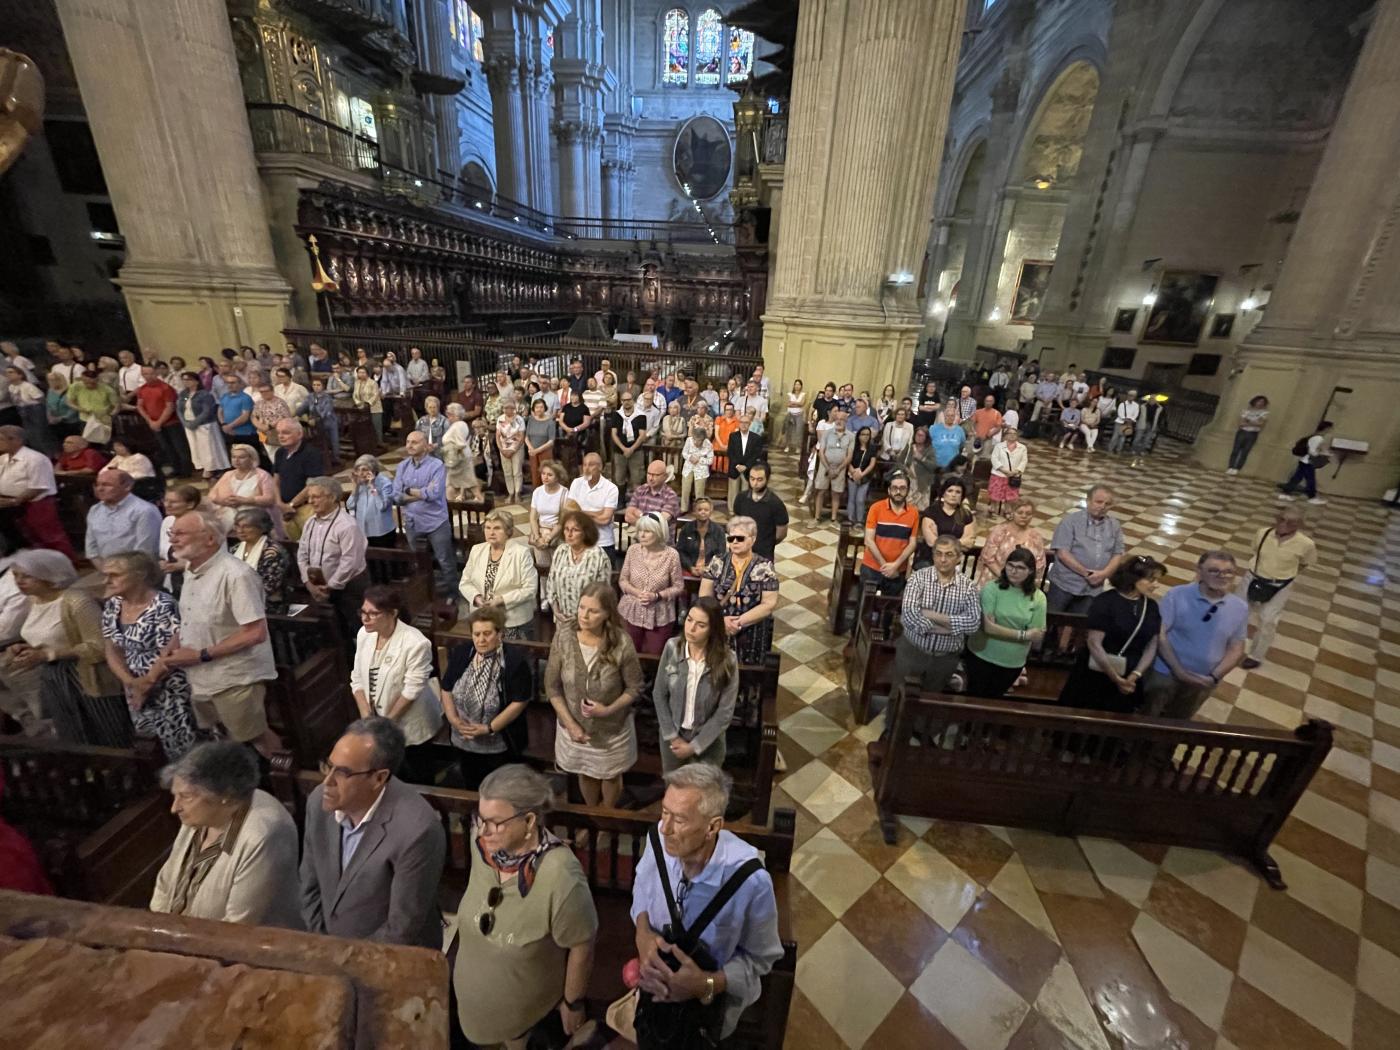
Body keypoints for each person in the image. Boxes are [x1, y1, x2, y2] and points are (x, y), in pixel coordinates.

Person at [631, 764, 783, 1044]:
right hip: (654, 999)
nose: (665, 828)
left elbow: (761, 958)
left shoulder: (749, 880)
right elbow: (642, 887)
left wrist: (705, 985)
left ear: (713, 827)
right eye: (664, 812)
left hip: (707, 1019)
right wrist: (642, 934)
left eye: (679, 819)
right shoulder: (658, 841)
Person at [449, 764, 597, 1050]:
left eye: (495, 822)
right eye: (481, 819)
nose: (484, 831)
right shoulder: (483, 845)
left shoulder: (561, 876)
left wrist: (572, 1002)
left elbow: (583, 943)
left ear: (529, 821)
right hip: (472, 1006)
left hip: (524, 1017)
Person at [300, 717, 447, 947]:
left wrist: (344, 957)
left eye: (343, 773)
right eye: (328, 766)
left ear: (378, 778)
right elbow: (309, 885)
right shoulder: (318, 802)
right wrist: (325, 947)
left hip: (389, 961)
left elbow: (401, 927)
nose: (327, 782)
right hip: (328, 950)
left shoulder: (418, 830)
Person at [162, 509, 281, 756]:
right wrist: (173, 648)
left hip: (235, 677)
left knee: (257, 738)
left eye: (181, 533)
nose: (173, 539)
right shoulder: (191, 570)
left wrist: (201, 655)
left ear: (209, 539)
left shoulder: (236, 575)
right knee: (224, 739)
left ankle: (287, 788)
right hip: (202, 675)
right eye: (172, 533)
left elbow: (255, 633)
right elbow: (190, 619)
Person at [148, 741, 300, 927]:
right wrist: (160, 929)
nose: (174, 808)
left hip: (242, 948)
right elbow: (165, 885)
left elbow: (238, 925)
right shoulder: (199, 816)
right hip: (179, 938)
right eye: (175, 796)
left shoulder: (263, 835)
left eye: (186, 796)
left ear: (225, 795)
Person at [4, 549, 131, 747]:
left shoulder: (77, 601)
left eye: (26, 576)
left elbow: (99, 646)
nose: (19, 582)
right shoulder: (34, 600)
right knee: (72, 738)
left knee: (107, 737)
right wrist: (24, 647)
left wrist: (48, 654)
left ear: (49, 575)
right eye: (16, 576)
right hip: (54, 679)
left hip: (87, 677)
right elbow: (49, 636)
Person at [546, 582, 644, 809]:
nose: (585, 615)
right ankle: (593, 813)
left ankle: (608, 815)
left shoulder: (621, 642)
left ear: (607, 613)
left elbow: (634, 687)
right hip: (575, 727)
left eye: (593, 611)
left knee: (610, 776)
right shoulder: (564, 636)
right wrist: (571, 724)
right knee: (587, 773)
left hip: (611, 729)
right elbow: (552, 687)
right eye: (581, 608)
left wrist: (607, 710)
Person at [101, 551, 204, 760]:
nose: (108, 580)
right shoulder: (113, 604)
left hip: (169, 685)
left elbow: (172, 651)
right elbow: (112, 648)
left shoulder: (164, 606)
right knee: (149, 746)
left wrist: (146, 683)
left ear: (139, 575)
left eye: (115, 575)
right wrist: (131, 682)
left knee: (184, 748)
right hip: (134, 685)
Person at [350, 586, 442, 784]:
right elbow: (357, 677)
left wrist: (386, 725)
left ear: (393, 613)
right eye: (363, 612)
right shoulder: (364, 634)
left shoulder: (415, 643)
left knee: (418, 777)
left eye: (373, 614)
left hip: (411, 724)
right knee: (389, 776)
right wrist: (366, 716)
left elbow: (412, 690)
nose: (365, 619)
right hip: (376, 720)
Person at [1144, 550, 1249, 721]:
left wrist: (1213, 677)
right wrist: (1179, 671)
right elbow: (1160, 634)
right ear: (1199, 571)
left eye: (1228, 572)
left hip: (1203, 679)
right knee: (1149, 716)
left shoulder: (1239, 607)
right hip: (1165, 672)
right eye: (1214, 570)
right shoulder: (1177, 595)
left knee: (1180, 721)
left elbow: (1236, 647)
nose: (1222, 576)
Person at [1058, 555, 1164, 714]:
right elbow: (1094, 643)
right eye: (1151, 580)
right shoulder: (1106, 601)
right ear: (1134, 579)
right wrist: (1115, 678)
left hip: (1130, 675)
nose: (1156, 585)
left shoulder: (1152, 607)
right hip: (1096, 673)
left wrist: (1136, 674)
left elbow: (1152, 644)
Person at [440, 606, 532, 789]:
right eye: (476, 634)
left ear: (500, 634)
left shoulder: (514, 661)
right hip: (463, 740)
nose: (481, 640)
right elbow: (447, 687)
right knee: (471, 785)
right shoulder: (461, 653)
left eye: (487, 634)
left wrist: (489, 728)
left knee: (500, 790)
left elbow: (519, 701)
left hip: (498, 744)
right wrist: (453, 719)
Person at [651, 598, 739, 773]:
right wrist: (672, 737)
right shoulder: (672, 648)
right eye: (689, 620)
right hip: (673, 739)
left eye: (701, 625)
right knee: (675, 792)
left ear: (712, 629)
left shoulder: (728, 660)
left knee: (705, 795)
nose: (691, 628)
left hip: (709, 742)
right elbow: (659, 694)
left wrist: (694, 746)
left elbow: (724, 712)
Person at [895, 535, 982, 694]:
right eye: (938, 553)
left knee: (930, 698)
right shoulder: (918, 578)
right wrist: (950, 628)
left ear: (958, 558)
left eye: (949, 554)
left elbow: (973, 623)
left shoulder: (968, 587)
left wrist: (931, 616)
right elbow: (908, 615)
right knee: (899, 694)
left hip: (945, 658)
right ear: (933, 555)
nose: (943, 559)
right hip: (913, 651)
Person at [964, 547, 1048, 699]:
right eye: (1010, 566)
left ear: (1030, 571)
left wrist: (1002, 629)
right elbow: (988, 628)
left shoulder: (1038, 598)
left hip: (1012, 660)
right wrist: (1023, 634)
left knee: (994, 698)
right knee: (973, 696)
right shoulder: (991, 588)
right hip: (982, 654)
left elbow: (1037, 635)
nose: (1014, 571)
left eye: (1020, 567)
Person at [1237, 507, 1316, 670]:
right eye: (1281, 519)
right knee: (1237, 612)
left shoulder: (1306, 544)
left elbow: (1304, 563)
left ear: (1299, 525)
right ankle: (1229, 645)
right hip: (1253, 577)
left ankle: (1255, 655)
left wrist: (1282, 575)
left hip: (1280, 585)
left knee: (1268, 620)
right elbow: (1254, 550)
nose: (1284, 524)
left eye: (1291, 522)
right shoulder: (1263, 533)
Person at [297, 475, 369, 643]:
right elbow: (302, 553)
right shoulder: (310, 523)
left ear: (332, 497)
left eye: (316, 497)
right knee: (335, 632)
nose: (311, 501)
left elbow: (350, 562)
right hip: (319, 586)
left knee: (360, 630)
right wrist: (308, 582)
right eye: (309, 497)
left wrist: (330, 586)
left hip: (349, 588)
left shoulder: (347, 525)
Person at [699, 515, 779, 665]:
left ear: (753, 539)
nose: (734, 542)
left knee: (747, 675)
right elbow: (704, 596)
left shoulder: (765, 567)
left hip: (751, 631)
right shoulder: (717, 562)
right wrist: (721, 622)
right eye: (731, 538)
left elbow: (769, 604)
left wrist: (739, 622)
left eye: (740, 538)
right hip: (719, 626)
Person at [395, 430, 458, 595]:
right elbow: (396, 496)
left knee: (445, 561)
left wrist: (408, 490)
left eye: (414, 442)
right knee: (418, 560)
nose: (409, 445)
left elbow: (434, 494)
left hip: (436, 522)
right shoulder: (402, 466)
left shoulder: (436, 465)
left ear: (425, 445)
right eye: (408, 442)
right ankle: (426, 593)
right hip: (412, 522)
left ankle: (453, 594)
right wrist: (420, 494)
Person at [460, 510, 539, 640]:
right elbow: (465, 582)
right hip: (482, 617)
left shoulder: (521, 553)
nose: (491, 532)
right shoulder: (477, 550)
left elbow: (530, 589)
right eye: (488, 528)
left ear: (508, 531)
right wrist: (477, 598)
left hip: (512, 619)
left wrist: (501, 600)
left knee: (510, 658)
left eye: (497, 528)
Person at [1046, 484, 1125, 614]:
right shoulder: (1070, 522)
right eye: (1099, 502)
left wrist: (1104, 574)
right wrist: (1087, 574)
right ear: (1088, 500)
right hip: (1065, 583)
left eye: (1108, 504)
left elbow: (1117, 553)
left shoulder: (1114, 525)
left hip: (1093, 588)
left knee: (1079, 623)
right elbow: (1062, 553)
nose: (1102, 506)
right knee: (1051, 618)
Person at [0, 426, 73, 557]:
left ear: (16, 440)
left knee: (49, 536)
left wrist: (14, 501)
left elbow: (38, 486)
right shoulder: (3, 458)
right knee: (29, 537)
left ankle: (65, 564)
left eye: (1, 439)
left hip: (37, 503)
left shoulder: (35, 459)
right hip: (11, 505)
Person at [619, 512, 686, 655]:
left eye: (647, 531)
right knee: (628, 655)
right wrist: (637, 593)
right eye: (640, 531)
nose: (642, 535)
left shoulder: (672, 555)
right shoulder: (633, 550)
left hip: (659, 615)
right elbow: (623, 580)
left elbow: (678, 587)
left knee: (653, 658)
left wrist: (656, 596)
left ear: (659, 532)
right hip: (631, 612)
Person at [545, 510, 612, 625]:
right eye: (566, 529)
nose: (569, 534)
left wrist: (584, 617)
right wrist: (556, 611)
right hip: (563, 620)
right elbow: (551, 584)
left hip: (589, 622)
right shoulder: (561, 551)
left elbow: (602, 595)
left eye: (575, 530)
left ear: (585, 532)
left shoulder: (598, 556)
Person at [859, 471, 918, 596]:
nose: (898, 492)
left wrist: (895, 566)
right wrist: (885, 566)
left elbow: (912, 544)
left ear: (907, 491)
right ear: (889, 490)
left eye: (902, 488)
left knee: (889, 609)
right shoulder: (876, 508)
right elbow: (869, 540)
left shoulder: (913, 513)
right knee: (865, 606)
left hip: (898, 569)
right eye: (895, 488)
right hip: (873, 566)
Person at [208, 442, 282, 537]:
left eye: (241, 457)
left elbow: (270, 499)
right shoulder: (227, 475)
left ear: (252, 458)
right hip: (228, 521)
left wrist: (245, 501)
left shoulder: (262, 475)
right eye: (234, 457)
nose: (237, 460)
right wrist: (224, 501)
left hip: (254, 520)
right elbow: (212, 495)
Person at [85, 469, 162, 560]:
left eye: (107, 485)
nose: (100, 489)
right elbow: (91, 550)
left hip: (139, 569)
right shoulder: (95, 510)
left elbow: (146, 552)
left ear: (127, 486)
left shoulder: (145, 510)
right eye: (97, 485)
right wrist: (106, 570)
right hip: (105, 568)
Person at [134, 364, 192, 477]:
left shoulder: (165, 388)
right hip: (154, 423)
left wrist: (158, 422)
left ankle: (186, 470)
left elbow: (170, 406)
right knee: (166, 447)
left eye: (150, 373)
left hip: (171, 423)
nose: (148, 376)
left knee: (179, 447)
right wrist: (150, 421)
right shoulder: (142, 389)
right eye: (145, 374)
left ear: (155, 373)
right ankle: (175, 468)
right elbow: (140, 406)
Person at [975, 498, 1047, 586]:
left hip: (1022, 585)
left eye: (1028, 514)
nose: (1024, 516)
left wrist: (1022, 581)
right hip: (995, 580)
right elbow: (988, 558)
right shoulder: (1000, 531)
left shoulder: (1036, 537)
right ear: (1013, 513)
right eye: (1020, 512)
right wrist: (1007, 579)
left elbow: (1039, 564)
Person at [565, 452, 620, 563]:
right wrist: (597, 512)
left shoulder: (611, 488)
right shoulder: (576, 483)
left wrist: (580, 512)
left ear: (600, 467)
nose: (586, 468)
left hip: (603, 542)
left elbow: (605, 520)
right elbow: (569, 512)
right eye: (584, 465)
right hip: (580, 541)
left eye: (591, 465)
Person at [232, 507, 287, 614]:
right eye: (237, 526)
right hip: (237, 600)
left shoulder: (272, 552)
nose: (240, 530)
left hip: (266, 604)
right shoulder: (235, 549)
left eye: (246, 526)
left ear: (262, 528)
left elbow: (269, 586)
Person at [176, 371, 229, 479]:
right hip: (189, 425)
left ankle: (212, 468)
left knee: (207, 447)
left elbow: (207, 410)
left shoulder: (204, 394)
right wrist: (185, 422)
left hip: (204, 424)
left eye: (188, 380)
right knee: (196, 447)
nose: (186, 382)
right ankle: (203, 466)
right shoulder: (183, 394)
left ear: (196, 381)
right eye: (184, 380)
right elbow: (180, 409)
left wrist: (195, 422)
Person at [917, 475, 975, 569]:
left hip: (954, 563)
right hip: (930, 561)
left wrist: (939, 539)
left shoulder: (966, 515)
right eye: (950, 491)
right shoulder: (931, 512)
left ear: (962, 496)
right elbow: (931, 542)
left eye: (958, 492)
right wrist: (960, 543)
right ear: (943, 493)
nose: (953, 495)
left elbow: (969, 543)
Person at [346, 454, 397, 547]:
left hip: (381, 532)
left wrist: (372, 487)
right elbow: (350, 505)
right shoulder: (360, 483)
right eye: (358, 470)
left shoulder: (385, 484)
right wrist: (355, 487)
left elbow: (382, 507)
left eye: (364, 470)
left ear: (373, 470)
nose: (360, 473)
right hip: (363, 531)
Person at [1278, 420, 1332, 505]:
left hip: (1304, 460)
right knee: (1310, 480)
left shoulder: (1314, 436)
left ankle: (1285, 493)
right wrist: (1323, 453)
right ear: (1326, 429)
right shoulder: (1319, 438)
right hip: (1308, 462)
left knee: (1297, 478)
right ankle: (1312, 497)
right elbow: (1312, 451)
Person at [811, 411, 851, 523]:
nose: (839, 421)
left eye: (842, 419)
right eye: (837, 418)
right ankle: (817, 517)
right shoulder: (827, 433)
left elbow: (849, 455)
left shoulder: (850, 436)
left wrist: (838, 469)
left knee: (836, 493)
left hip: (841, 468)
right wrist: (828, 468)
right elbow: (821, 452)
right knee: (820, 491)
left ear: (846, 421)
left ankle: (833, 519)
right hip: (825, 465)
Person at [528, 459, 569, 568]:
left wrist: (548, 538)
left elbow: (562, 521)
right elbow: (533, 518)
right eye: (543, 473)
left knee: (558, 569)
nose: (545, 477)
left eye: (550, 475)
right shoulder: (537, 492)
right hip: (540, 533)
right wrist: (538, 538)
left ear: (558, 477)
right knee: (543, 570)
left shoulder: (565, 493)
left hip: (557, 534)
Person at [608, 391, 650, 495]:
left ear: (633, 400)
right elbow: (614, 434)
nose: (626, 402)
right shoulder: (617, 415)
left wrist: (631, 449)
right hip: (619, 451)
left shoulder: (641, 415)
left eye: (629, 399)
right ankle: (621, 501)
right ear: (621, 402)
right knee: (619, 477)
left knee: (637, 477)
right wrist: (624, 449)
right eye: (624, 400)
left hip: (636, 452)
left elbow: (642, 435)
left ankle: (637, 502)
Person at [725, 413, 767, 513]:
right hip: (735, 468)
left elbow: (756, 455)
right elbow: (730, 452)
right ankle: (732, 510)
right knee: (733, 491)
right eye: (742, 422)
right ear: (739, 424)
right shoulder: (733, 436)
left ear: (750, 424)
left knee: (745, 492)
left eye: (746, 423)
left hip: (748, 470)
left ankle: (743, 510)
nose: (744, 425)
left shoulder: (756, 438)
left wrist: (746, 466)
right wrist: (737, 465)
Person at [676, 497, 725, 578]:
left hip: (711, 571)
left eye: (706, 510)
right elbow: (680, 551)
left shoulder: (718, 531)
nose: (703, 512)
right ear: (694, 512)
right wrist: (690, 567)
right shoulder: (687, 528)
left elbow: (721, 554)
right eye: (699, 510)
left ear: (711, 512)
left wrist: (707, 568)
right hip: (688, 568)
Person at [442, 402, 482, 501]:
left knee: (459, 486)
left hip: (459, 460)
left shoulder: (459, 425)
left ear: (456, 415)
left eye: (450, 414)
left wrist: (453, 457)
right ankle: (452, 511)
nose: (448, 417)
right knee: (457, 486)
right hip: (455, 459)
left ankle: (452, 511)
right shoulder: (456, 425)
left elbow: (460, 444)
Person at [845, 425, 878, 528]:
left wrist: (862, 474)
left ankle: (860, 520)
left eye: (868, 434)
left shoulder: (872, 448)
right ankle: (850, 519)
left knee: (860, 499)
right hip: (852, 475)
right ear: (858, 435)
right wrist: (853, 472)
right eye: (863, 434)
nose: (865, 437)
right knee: (852, 498)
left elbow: (872, 464)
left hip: (865, 477)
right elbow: (848, 459)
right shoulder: (853, 446)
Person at [1227, 396, 1270, 474]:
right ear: (1254, 401)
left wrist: (1248, 421)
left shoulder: (1264, 413)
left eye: (1262, 402)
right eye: (1259, 401)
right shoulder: (1246, 411)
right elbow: (1241, 424)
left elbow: (1261, 424)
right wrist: (1254, 422)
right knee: (1235, 450)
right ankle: (1231, 466)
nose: (1260, 403)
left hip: (1253, 434)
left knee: (1245, 451)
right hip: (1242, 432)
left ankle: (1237, 468)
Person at [680, 425, 715, 512]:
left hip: (701, 471)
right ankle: (683, 509)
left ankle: (699, 510)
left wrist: (699, 460)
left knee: (699, 493)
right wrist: (690, 457)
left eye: (698, 441)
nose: (695, 442)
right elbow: (684, 453)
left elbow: (710, 460)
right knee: (685, 490)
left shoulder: (708, 444)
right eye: (694, 439)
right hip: (688, 468)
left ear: (703, 440)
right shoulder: (689, 440)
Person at [524, 397, 557, 488]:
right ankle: (536, 494)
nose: (539, 409)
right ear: (534, 409)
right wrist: (531, 448)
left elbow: (551, 441)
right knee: (535, 474)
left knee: (546, 474)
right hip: (533, 452)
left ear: (545, 408)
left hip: (545, 452)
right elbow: (526, 437)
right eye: (537, 407)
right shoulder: (531, 420)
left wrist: (537, 450)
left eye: (541, 407)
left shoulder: (550, 421)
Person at [353, 365, 384, 440]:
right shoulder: (357, 382)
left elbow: (375, 395)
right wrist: (358, 402)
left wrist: (368, 403)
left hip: (374, 408)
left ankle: (379, 442)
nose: (361, 374)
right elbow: (354, 394)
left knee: (376, 427)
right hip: (362, 408)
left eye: (363, 372)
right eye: (359, 372)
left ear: (367, 373)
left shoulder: (373, 383)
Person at [781, 379, 806, 453]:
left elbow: (802, 404)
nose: (797, 386)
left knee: (799, 431)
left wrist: (793, 403)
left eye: (799, 384)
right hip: (790, 414)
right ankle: (787, 446)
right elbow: (788, 404)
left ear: (801, 386)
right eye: (796, 384)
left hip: (799, 414)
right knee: (789, 431)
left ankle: (798, 447)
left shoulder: (803, 394)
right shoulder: (790, 394)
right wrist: (796, 404)